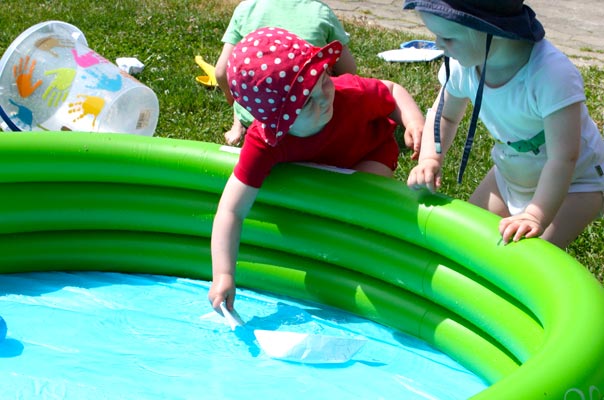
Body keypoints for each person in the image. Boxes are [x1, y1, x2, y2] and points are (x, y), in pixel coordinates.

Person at [209, 27, 425, 313]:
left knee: (361, 205)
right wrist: (223, 274)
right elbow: (231, 210)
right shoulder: (264, 142)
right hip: (321, 163)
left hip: (366, 153)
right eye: (307, 102)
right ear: (279, 123)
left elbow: (392, 91)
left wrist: (413, 123)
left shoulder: (349, 94)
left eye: (323, 80)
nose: (324, 98)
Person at [403, 0, 604, 249]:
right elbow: (446, 116)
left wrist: (534, 215)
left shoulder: (550, 75)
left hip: (576, 183)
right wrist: (430, 159)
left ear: (490, 31)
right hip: (510, 174)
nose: (439, 45)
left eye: (448, 38)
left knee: (528, 258)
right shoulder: (463, 66)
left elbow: (564, 158)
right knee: (464, 242)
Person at [215, 0, 357, 146]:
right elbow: (349, 70)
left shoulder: (246, 9)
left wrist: (232, 100)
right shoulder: (321, 11)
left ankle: (239, 122)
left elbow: (221, 72)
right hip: (310, 115)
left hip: (259, 116)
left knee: (250, 81)